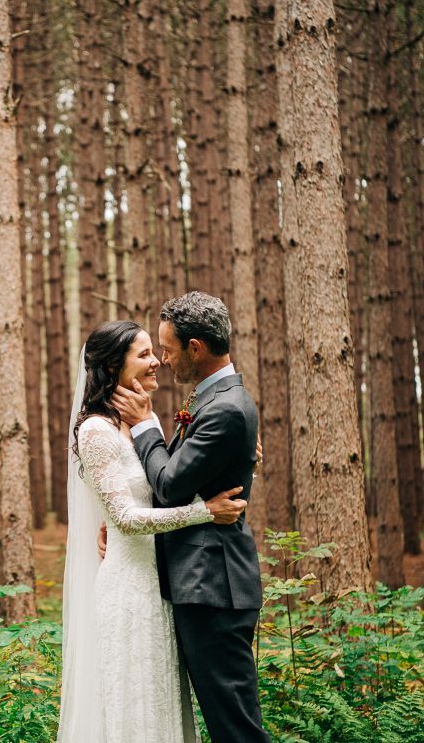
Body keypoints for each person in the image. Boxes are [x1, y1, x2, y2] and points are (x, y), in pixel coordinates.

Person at [57, 319, 249, 743]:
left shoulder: (144, 423)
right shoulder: (95, 431)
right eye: (143, 355)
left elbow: (167, 484)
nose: (156, 363)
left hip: (160, 589)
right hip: (127, 592)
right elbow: (126, 517)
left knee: (161, 706)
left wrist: (238, 450)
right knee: (134, 709)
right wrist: (205, 512)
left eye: (155, 352)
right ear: (113, 367)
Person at [110, 291, 269, 742]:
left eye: (169, 349)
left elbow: (171, 483)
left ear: (195, 348)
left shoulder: (224, 409)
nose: (163, 358)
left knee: (235, 727)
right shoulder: (212, 400)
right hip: (202, 584)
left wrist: (144, 424)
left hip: (213, 589)